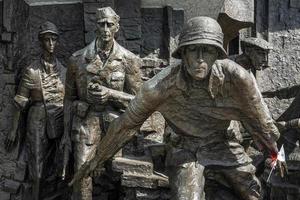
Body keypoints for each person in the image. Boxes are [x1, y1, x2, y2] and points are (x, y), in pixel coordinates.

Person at [71, 16, 280, 200]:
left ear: (217, 54)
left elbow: (262, 121)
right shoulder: (159, 86)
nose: (200, 58)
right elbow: (126, 126)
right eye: (193, 50)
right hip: (185, 149)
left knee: (254, 193)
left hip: (223, 145)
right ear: (182, 53)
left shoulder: (238, 78)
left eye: (207, 50)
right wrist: (95, 161)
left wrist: (274, 153)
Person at [62, 7, 142, 200]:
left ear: (117, 27)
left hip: (117, 123)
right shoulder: (77, 59)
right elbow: (68, 99)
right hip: (86, 122)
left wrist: (112, 94)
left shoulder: (129, 60)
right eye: (101, 24)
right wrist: (66, 134)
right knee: (81, 171)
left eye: (110, 24)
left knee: (119, 175)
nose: (106, 28)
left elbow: (140, 101)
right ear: (95, 26)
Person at [4, 21, 65, 200]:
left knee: (58, 167)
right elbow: (20, 101)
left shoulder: (65, 70)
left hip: (59, 120)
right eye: (47, 39)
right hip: (37, 119)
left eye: (54, 39)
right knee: (37, 170)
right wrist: (14, 129)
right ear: (41, 42)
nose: (51, 44)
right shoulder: (31, 71)